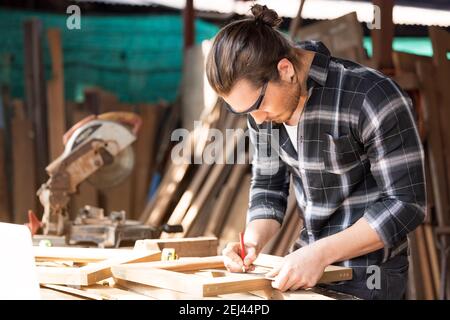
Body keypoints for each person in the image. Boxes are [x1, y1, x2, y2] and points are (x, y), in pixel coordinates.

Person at [205, 4, 426, 300]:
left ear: (285, 70)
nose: (256, 120)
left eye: (257, 105)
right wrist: (252, 242)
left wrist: (320, 254)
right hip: (307, 265)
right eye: (244, 111)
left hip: (371, 275)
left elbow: (406, 203)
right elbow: (268, 186)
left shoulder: (372, 97)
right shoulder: (264, 111)